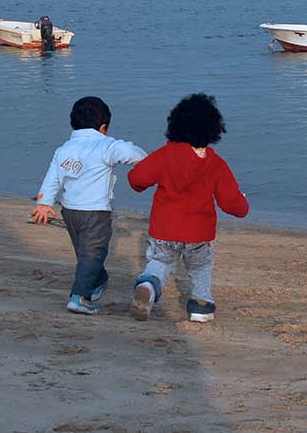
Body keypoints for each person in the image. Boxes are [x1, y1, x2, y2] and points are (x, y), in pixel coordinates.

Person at [126, 93, 248, 322]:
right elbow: (232, 203)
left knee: (160, 262)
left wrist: (143, 179)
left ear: (175, 124)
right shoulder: (215, 164)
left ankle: (149, 286)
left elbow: (136, 179)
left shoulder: (165, 155)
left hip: (164, 229)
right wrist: (243, 203)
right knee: (200, 267)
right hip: (198, 233)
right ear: (214, 129)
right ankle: (200, 307)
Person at [33, 96, 147, 315]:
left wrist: (44, 202)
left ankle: (98, 281)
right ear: (103, 127)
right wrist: (150, 163)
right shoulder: (106, 145)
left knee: (86, 253)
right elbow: (133, 154)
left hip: (70, 211)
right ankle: (78, 297)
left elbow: (52, 177)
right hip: (95, 213)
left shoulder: (64, 149)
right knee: (92, 254)